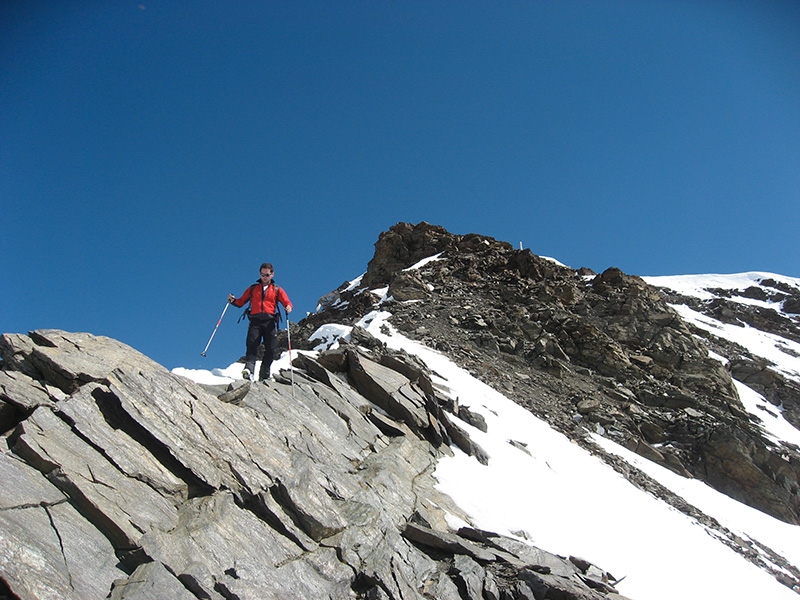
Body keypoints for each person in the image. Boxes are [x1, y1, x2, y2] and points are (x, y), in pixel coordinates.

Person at [228, 263, 293, 382]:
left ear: (272, 274)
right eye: (262, 274)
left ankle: (264, 375)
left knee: (271, 349)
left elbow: (287, 302)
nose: (264, 277)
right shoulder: (253, 288)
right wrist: (233, 301)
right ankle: (249, 370)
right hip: (255, 321)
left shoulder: (277, 289)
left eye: (267, 275)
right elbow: (241, 302)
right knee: (252, 345)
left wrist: (288, 306)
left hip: (270, 322)